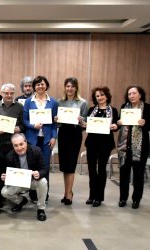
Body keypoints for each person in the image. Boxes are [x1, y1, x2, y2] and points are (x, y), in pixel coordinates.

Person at [117, 86, 150, 209]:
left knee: (138, 175)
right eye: (129, 93)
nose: (132, 95)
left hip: (140, 147)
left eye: (134, 93)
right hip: (124, 146)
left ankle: (136, 199)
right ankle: (123, 198)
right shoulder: (124, 107)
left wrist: (145, 123)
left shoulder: (148, 108)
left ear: (140, 95)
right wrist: (119, 123)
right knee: (124, 174)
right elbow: (120, 123)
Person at [82, 86, 119, 207]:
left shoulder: (113, 110)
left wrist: (115, 126)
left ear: (107, 96)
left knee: (101, 170)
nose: (100, 97)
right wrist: (83, 124)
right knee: (92, 170)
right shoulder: (91, 109)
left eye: (102, 95)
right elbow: (86, 126)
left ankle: (99, 197)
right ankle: (92, 195)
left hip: (105, 144)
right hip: (92, 143)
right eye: (97, 96)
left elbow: (116, 125)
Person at [22, 75, 58, 201]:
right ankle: (33, 193)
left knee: (45, 167)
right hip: (32, 139)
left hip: (47, 139)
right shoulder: (28, 101)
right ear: (34, 87)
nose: (40, 86)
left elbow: (54, 123)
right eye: (37, 84)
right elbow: (24, 121)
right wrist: (33, 125)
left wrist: (54, 137)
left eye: (42, 84)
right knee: (32, 166)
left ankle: (44, 194)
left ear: (46, 85)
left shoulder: (53, 102)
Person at [55, 77, 88, 205]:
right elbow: (57, 124)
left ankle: (69, 193)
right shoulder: (59, 102)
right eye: (68, 86)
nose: (70, 88)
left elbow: (85, 123)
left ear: (76, 88)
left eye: (72, 86)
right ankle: (66, 192)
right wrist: (56, 119)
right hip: (63, 134)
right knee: (64, 166)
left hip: (75, 134)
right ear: (65, 87)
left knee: (71, 165)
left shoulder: (82, 102)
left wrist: (81, 121)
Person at [1, 133, 48, 221]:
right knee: (4, 192)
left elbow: (44, 168)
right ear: (13, 146)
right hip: (20, 183)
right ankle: (21, 201)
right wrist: (6, 178)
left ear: (26, 142)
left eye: (21, 144)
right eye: (16, 145)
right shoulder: (10, 156)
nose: (19, 148)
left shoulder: (36, 151)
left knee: (43, 181)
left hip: (33, 181)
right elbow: (10, 174)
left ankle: (41, 208)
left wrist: (39, 174)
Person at [0, 83, 24, 156]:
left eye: (11, 93)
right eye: (6, 93)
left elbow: (24, 123)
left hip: (15, 143)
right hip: (0, 143)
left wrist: (20, 128)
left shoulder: (20, 106)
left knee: (14, 165)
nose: (9, 95)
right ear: (2, 93)